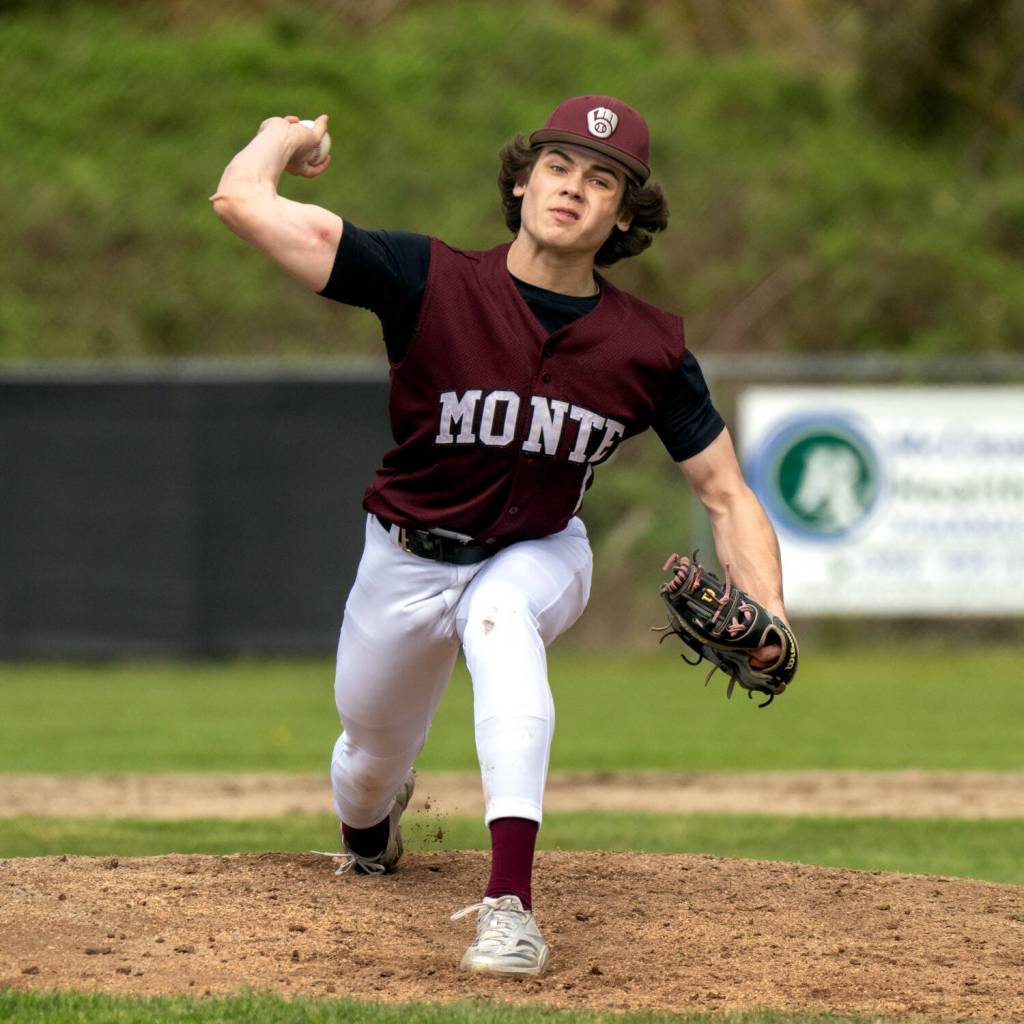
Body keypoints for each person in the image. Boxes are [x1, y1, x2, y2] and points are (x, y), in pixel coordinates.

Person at [211, 95, 789, 978]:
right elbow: (242, 204)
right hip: (405, 555)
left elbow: (726, 495)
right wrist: (281, 137)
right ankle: (376, 825)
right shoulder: (426, 278)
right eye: (558, 166)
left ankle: (509, 906)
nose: (574, 188)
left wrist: (772, 611)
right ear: (521, 182)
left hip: (540, 549)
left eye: (604, 180)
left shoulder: (649, 349)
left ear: (624, 216)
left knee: (502, 621)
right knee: (366, 767)